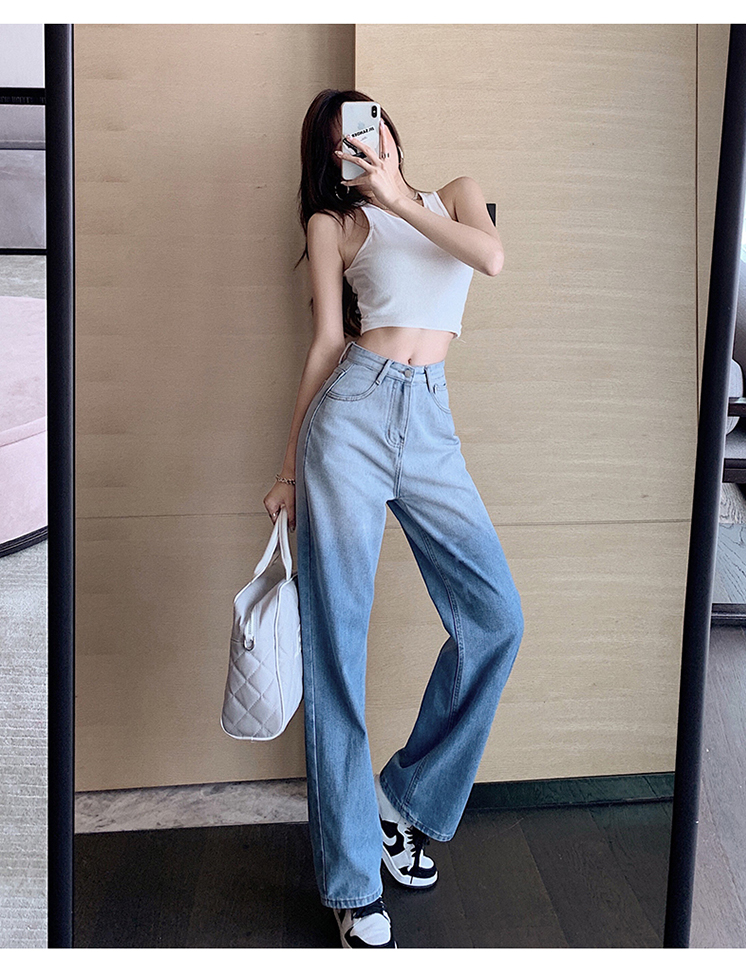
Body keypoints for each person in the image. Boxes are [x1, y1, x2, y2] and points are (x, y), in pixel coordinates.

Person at [263, 89, 525, 949]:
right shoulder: (332, 226)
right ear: (330, 159)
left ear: (391, 131)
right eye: (344, 141)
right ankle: (352, 886)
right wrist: (287, 471)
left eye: (370, 125)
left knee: (495, 620)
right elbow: (326, 345)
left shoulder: (455, 193)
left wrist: (399, 198)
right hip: (351, 420)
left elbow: (490, 258)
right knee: (336, 653)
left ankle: (400, 797)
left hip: (431, 422)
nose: (363, 143)